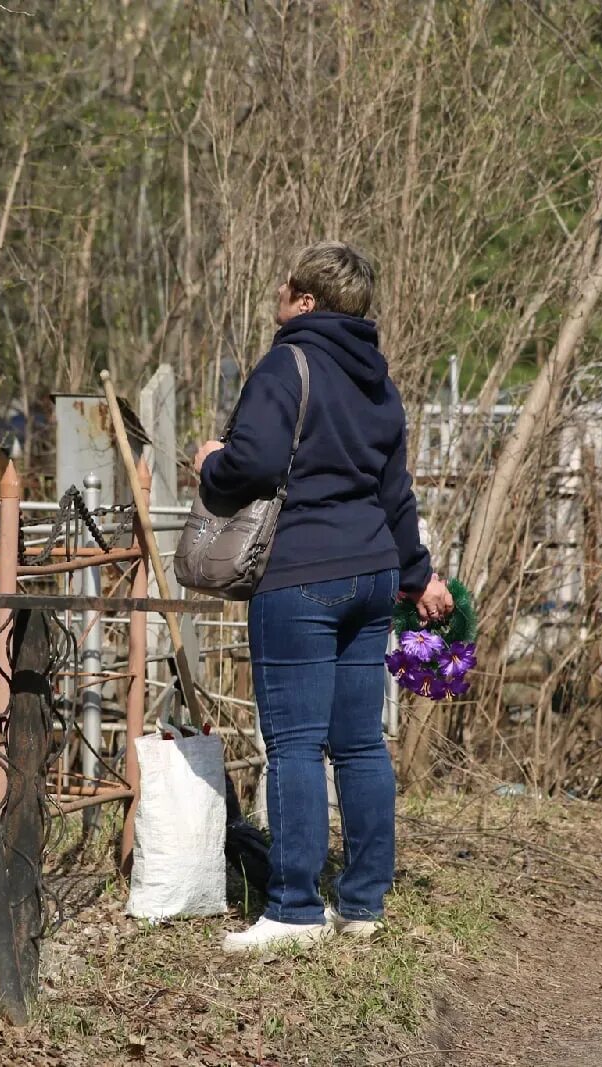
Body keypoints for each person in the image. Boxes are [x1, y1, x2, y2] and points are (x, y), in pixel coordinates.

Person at [193, 241, 452, 954]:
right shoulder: (379, 381)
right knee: (362, 744)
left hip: (301, 575)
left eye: (288, 284)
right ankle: (364, 902)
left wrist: (211, 464)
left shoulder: (287, 363)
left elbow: (253, 463)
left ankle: (294, 911)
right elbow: (395, 492)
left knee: (298, 745)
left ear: (306, 301)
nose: (278, 291)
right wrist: (416, 572)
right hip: (372, 573)